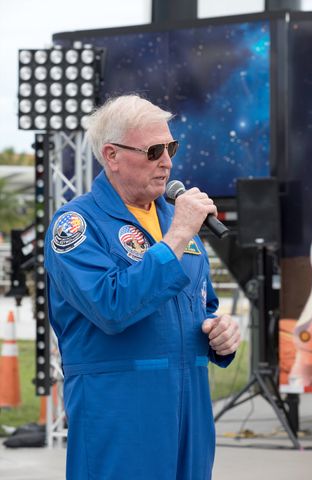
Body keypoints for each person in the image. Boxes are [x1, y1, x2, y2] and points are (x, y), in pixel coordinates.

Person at [44, 94, 241, 480]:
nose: (167, 161)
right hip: (122, 410)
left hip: (190, 408)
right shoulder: (75, 225)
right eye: (153, 151)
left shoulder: (173, 219)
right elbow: (111, 306)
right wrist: (179, 235)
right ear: (112, 155)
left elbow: (202, 306)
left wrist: (222, 333)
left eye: (170, 147)